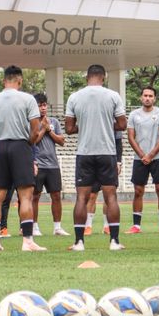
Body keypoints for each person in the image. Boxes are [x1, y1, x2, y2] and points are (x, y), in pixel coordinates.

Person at [65, 64, 128, 251]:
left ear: (87, 77)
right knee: (111, 197)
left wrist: (84, 125)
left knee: (82, 198)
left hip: (84, 153)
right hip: (107, 152)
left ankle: (79, 242)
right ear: (104, 77)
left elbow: (69, 128)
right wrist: (106, 124)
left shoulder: (74, 97)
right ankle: (114, 242)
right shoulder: (113, 96)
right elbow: (123, 124)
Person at [0, 66, 43, 252]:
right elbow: (35, 129)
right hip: (21, 146)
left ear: (4, 81)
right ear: (20, 81)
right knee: (25, 195)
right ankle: (27, 241)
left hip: (1, 146)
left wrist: (3, 140)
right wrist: (29, 143)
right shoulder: (28, 99)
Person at [126, 86, 159, 235]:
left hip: (157, 157)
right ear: (140, 97)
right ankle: (136, 226)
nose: (147, 98)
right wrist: (141, 154)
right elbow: (131, 137)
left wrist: (150, 155)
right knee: (138, 191)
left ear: (155, 98)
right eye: (145, 95)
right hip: (139, 158)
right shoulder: (133, 115)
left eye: (151, 96)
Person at [32, 93, 69, 237]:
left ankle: (57, 227)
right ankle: (34, 227)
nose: (42, 108)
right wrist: (42, 128)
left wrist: (49, 130)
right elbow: (33, 141)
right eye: (39, 105)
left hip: (53, 165)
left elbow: (61, 141)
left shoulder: (54, 121)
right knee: (35, 196)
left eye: (44, 105)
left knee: (56, 196)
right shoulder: (32, 122)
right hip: (38, 164)